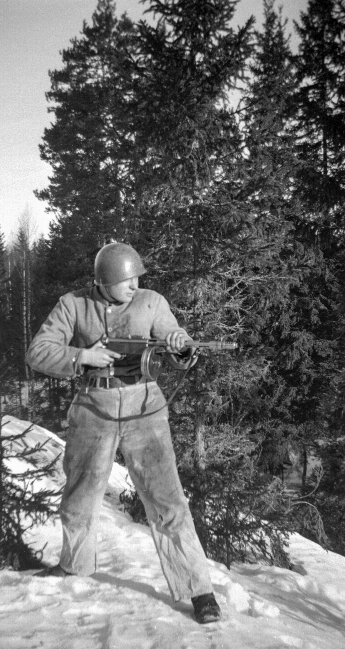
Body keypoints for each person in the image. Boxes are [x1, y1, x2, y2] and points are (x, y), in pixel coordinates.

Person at [26, 242, 221, 624]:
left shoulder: (151, 301)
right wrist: (82, 357)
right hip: (92, 408)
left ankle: (199, 590)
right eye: (124, 280)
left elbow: (174, 338)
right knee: (80, 495)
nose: (133, 285)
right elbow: (38, 351)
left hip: (144, 409)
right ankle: (74, 565)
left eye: (136, 278)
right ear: (102, 281)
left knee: (167, 501)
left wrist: (182, 346)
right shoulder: (73, 304)